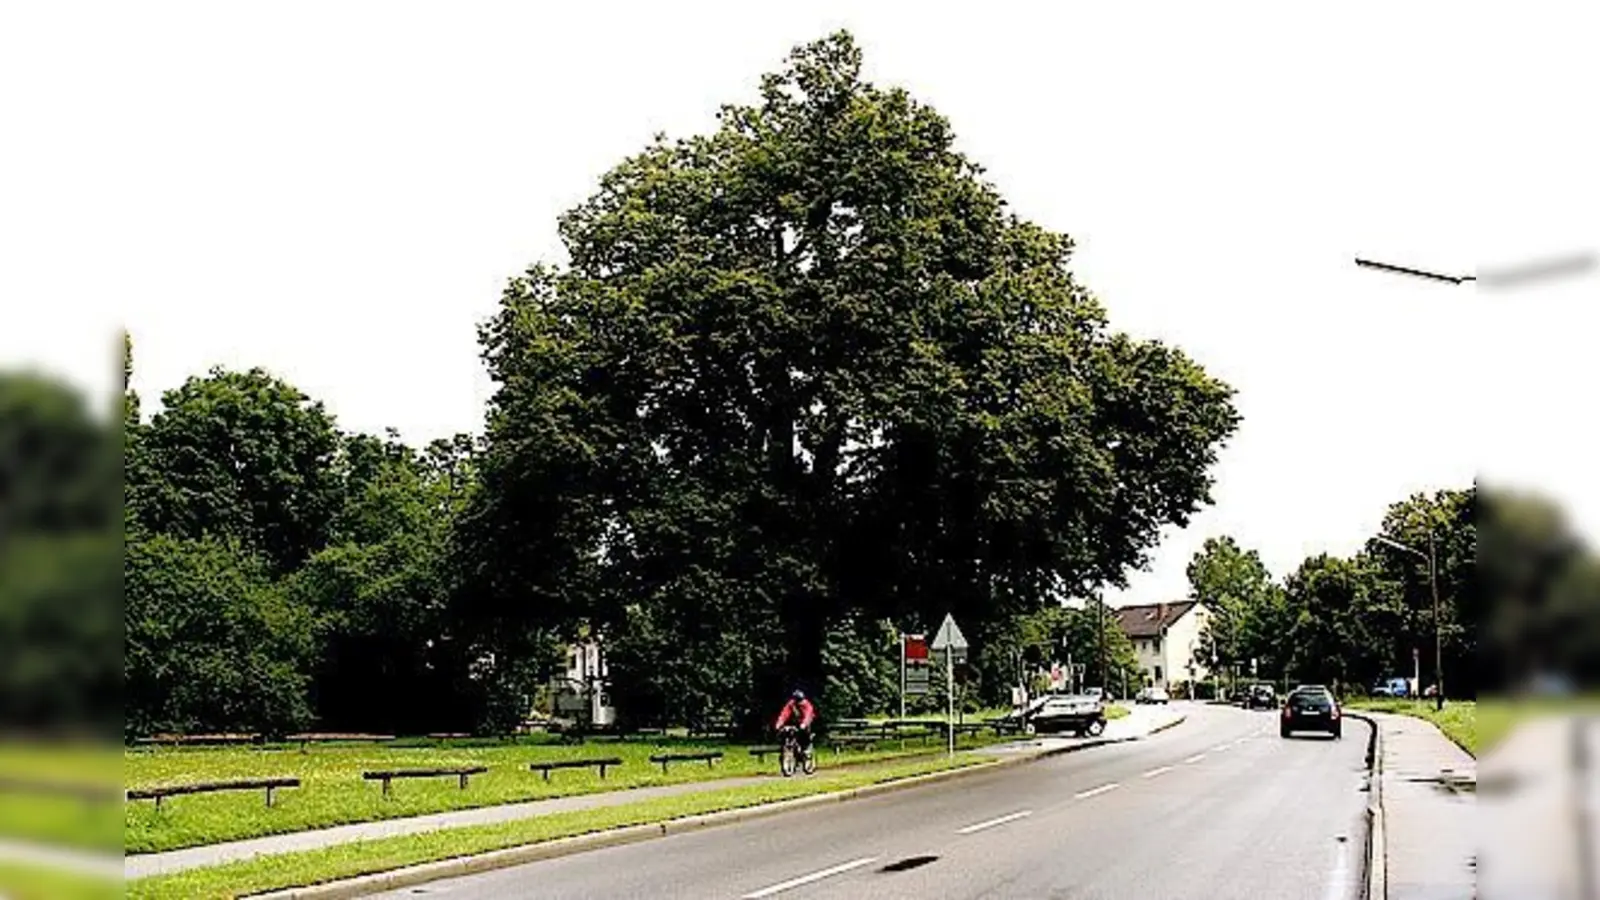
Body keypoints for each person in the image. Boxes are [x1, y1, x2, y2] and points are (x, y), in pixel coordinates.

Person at [774, 689, 816, 756]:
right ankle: (786, 749)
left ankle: (806, 748)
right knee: (785, 732)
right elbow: (784, 714)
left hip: (806, 722)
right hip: (795, 722)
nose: (799, 703)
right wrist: (779, 724)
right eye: (797, 701)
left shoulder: (807, 704)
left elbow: (808, 715)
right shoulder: (791, 704)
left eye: (800, 701)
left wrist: (804, 724)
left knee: (804, 732)